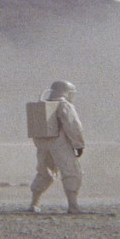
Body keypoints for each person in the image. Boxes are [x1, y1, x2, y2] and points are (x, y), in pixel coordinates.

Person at [29, 80, 85, 214]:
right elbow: (73, 125)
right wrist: (78, 144)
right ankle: (73, 205)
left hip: (43, 145)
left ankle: (35, 203)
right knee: (72, 172)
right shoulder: (65, 105)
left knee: (44, 173)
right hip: (61, 144)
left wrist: (41, 145)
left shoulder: (42, 106)